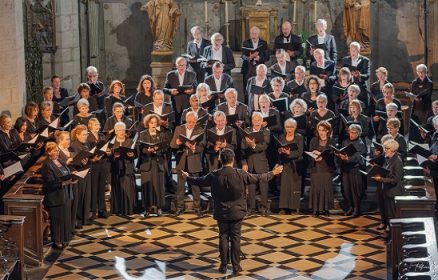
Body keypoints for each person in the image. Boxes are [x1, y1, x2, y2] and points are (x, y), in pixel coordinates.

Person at [182, 148, 283, 276]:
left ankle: (223, 266)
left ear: (220, 159)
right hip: (237, 212)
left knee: (223, 237)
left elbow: (198, 181)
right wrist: (273, 172)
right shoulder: (240, 173)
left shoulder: (214, 174)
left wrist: (187, 177)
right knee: (236, 238)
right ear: (233, 159)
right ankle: (236, 266)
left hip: (221, 212)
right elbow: (258, 178)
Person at [170, 111, 205, 216]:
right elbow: (172, 144)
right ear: (185, 120)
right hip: (182, 160)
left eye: (193, 122)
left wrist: (195, 148)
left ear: (196, 121)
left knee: (195, 186)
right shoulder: (179, 128)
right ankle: (179, 208)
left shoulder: (200, 130)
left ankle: (197, 208)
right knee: (180, 187)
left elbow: (203, 145)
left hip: (194, 160)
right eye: (189, 121)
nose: (191, 124)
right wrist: (177, 143)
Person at [41, 142, 73, 249]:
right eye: (55, 150)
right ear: (49, 152)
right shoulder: (46, 164)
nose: (57, 152)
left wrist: (73, 177)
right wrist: (63, 183)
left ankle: (65, 238)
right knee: (57, 219)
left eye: (57, 150)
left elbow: (68, 171)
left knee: (64, 217)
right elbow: (50, 182)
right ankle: (57, 240)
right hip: (55, 196)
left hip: (65, 193)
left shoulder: (60, 160)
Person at [138, 114, 169, 216]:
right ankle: (147, 208)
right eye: (151, 123)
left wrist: (157, 150)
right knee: (147, 187)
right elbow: (140, 148)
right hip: (146, 164)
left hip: (158, 162)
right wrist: (148, 150)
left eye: (155, 123)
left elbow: (165, 148)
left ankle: (159, 207)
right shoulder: (142, 134)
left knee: (158, 186)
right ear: (147, 124)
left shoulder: (161, 134)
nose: (153, 125)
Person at [241, 112, 270, 215]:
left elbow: (264, 146)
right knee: (251, 188)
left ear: (262, 122)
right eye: (255, 120)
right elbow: (242, 149)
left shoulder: (266, 131)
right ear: (252, 121)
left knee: (263, 187)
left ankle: (264, 208)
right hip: (250, 163)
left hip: (261, 163)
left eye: (259, 120)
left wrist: (253, 145)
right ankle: (251, 208)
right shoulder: (247, 131)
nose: (257, 122)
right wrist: (244, 162)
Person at [371, 139, 403, 233]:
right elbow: (387, 173)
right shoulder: (389, 159)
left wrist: (380, 179)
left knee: (392, 215)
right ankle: (390, 234)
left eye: (386, 148)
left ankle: (393, 237)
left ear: (393, 149)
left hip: (392, 192)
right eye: (385, 148)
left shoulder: (397, 161)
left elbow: (395, 180)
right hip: (386, 190)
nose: (384, 150)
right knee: (387, 213)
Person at [335, 124, 366, 217]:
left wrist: (347, 159)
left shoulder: (360, 143)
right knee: (346, 190)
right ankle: (351, 207)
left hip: (355, 170)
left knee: (355, 191)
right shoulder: (345, 141)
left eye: (353, 133)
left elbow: (357, 157)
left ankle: (356, 209)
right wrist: (339, 155)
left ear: (358, 134)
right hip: (345, 169)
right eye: (350, 132)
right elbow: (342, 151)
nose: (351, 134)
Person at [308, 120, 336, 216]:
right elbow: (310, 153)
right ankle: (315, 209)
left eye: (323, 130)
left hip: (326, 168)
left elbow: (333, 155)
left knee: (326, 188)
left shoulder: (332, 141)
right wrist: (314, 157)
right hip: (316, 168)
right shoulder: (313, 140)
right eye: (319, 130)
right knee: (316, 188)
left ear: (328, 131)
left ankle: (326, 209)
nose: (321, 132)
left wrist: (321, 155)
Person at [277, 118, 303, 214]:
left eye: (291, 127)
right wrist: (280, 151)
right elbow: (279, 148)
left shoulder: (299, 137)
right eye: (287, 127)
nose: (289, 129)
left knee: (294, 186)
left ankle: (294, 208)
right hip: (285, 163)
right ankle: (283, 207)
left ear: (295, 127)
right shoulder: (282, 136)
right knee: (284, 186)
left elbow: (299, 152)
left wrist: (289, 153)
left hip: (295, 165)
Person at [110, 121, 136, 215]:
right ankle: (118, 209)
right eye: (119, 130)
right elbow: (108, 156)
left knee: (128, 188)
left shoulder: (130, 141)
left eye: (122, 130)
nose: (121, 132)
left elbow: (135, 154)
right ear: (115, 131)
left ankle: (128, 209)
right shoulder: (112, 142)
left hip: (128, 168)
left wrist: (132, 154)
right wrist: (113, 156)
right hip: (116, 169)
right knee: (118, 188)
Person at [70, 125, 93, 228]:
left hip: (87, 171)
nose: (85, 137)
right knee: (79, 196)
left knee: (86, 196)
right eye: (83, 135)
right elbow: (73, 161)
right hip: (79, 172)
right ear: (77, 135)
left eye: (86, 134)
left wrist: (93, 159)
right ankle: (77, 219)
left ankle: (84, 217)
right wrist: (81, 161)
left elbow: (89, 156)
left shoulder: (87, 143)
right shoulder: (73, 145)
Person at [163, 57, 198, 123]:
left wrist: (192, 90)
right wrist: (171, 91)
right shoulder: (170, 75)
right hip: (175, 105)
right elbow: (164, 89)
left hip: (188, 105)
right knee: (176, 126)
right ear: (176, 65)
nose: (182, 67)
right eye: (180, 65)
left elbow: (196, 88)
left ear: (186, 65)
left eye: (184, 65)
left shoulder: (192, 74)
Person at [87, 118, 109, 219]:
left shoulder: (102, 136)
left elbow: (106, 147)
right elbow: (87, 151)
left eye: (98, 124)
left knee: (101, 187)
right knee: (94, 187)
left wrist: (108, 152)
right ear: (90, 126)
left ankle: (102, 210)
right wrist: (92, 158)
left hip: (103, 163)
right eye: (95, 125)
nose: (98, 126)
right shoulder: (88, 137)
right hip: (93, 164)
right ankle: (93, 210)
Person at [341, 42, 370, 108]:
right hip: (348, 89)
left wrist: (360, 75)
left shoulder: (365, 60)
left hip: (360, 90)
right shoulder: (345, 60)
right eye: (351, 50)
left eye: (355, 50)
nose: (353, 52)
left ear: (358, 51)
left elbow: (367, 75)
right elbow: (341, 73)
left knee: (362, 108)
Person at [241, 26, 269, 91]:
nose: (253, 35)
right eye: (252, 34)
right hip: (247, 70)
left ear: (258, 34)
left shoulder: (263, 43)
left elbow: (267, 57)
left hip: (259, 69)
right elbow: (243, 56)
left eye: (255, 34)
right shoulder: (245, 43)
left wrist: (259, 58)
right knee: (247, 90)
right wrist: (249, 57)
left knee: (260, 90)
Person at [410, 64, 433, 136]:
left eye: (422, 72)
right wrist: (414, 97)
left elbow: (428, 95)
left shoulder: (429, 83)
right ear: (417, 72)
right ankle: (416, 139)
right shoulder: (414, 82)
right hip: (416, 106)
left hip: (426, 106)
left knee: (425, 124)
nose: (421, 73)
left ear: (426, 72)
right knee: (415, 123)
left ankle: (426, 139)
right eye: (419, 72)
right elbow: (412, 92)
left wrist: (420, 97)